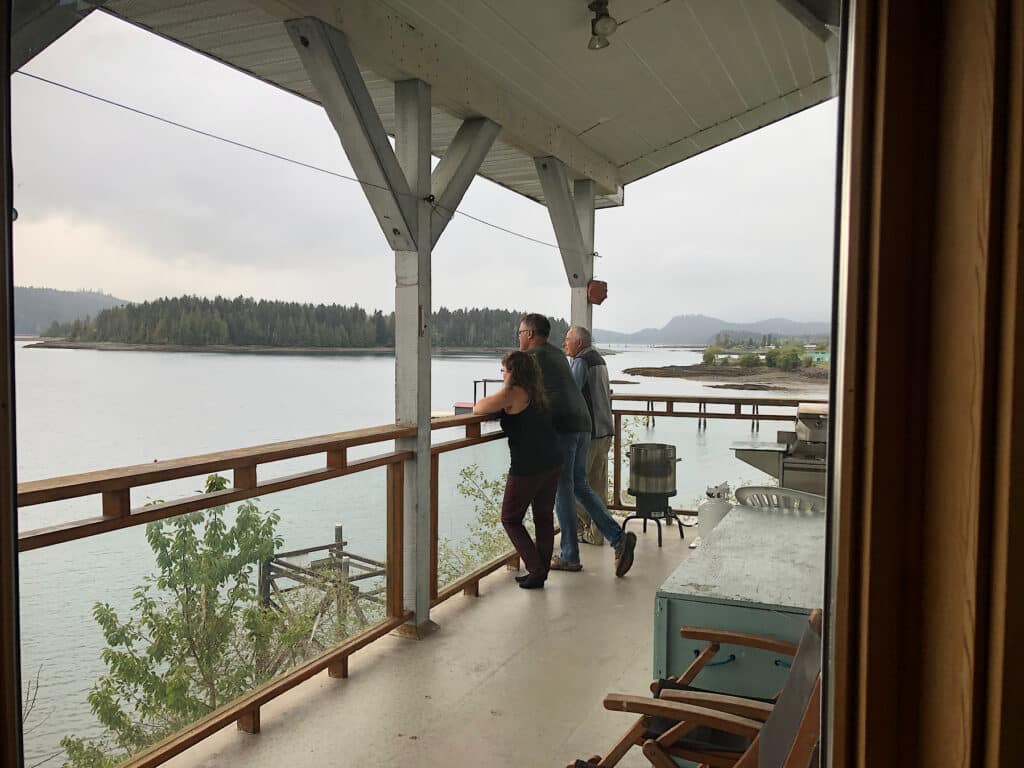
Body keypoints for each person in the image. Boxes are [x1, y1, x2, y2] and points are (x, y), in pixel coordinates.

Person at [517, 313, 637, 576]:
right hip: (585, 425)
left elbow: (518, 393)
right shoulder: (561, 356)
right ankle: (618, 538)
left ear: (529, 335)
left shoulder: (533, 358)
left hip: (564, 428)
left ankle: (570, 555)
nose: (518, 338)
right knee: (580, 487)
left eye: (519, 333)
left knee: (563, 488)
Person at [473, 350, 562, 589]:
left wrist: (501, 403)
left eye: (504, 370)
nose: (502, 374)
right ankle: (540, 571)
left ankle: (535, 569)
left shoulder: (512, 392)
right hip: (552, 461)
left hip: (528, 466)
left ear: (513, 372)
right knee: (543, 517)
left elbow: (478, 407)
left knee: (510, 518)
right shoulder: (535, 393)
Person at [563, 325, 613, 546]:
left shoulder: (582, 361)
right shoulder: (600, 360)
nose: (564, 343)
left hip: (590, 433)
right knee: (598, 485)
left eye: (567, 339)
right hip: (606, 430)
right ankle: (598, 533)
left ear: (579, 343)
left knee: (574, 484)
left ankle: (584, 528)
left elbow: (570, 392)